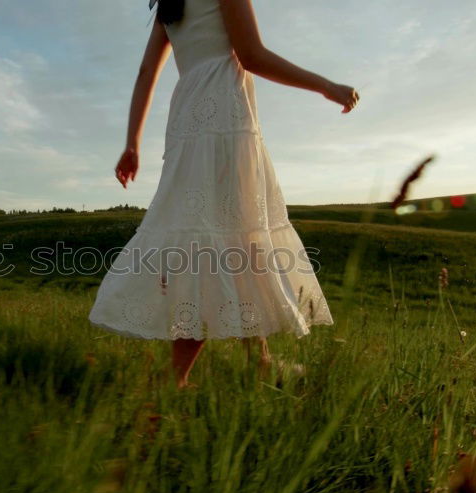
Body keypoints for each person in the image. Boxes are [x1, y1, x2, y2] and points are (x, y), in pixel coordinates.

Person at [88, 0, 358, 388]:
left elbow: (147, 72)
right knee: (222, 240)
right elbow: (251, 56)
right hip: (224, 114)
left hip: (189, 118)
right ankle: (176, 379)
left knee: (228, 236)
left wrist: (132, 143)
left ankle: (259, 361)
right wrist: (326, 86)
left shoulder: (171, 3)